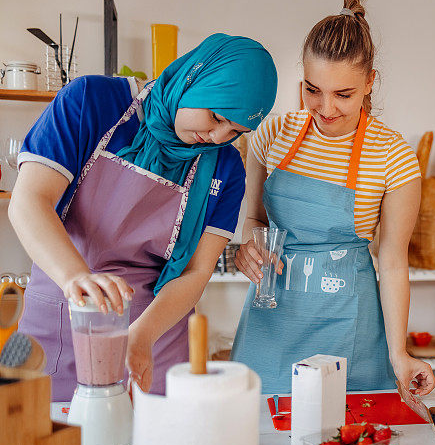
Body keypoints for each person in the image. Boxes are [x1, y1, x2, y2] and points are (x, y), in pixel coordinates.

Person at [10, 33, 278, 401]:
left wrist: (141, 336)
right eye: (216, 116)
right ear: (194, 78)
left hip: (153, 336)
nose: (217, 136)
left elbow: (196, 272)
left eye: (235, 131)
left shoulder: (226, 168)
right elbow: (29, 201)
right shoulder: (91, 101)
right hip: (63, 318)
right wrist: (76, 278)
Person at [231, 0, 435, 396]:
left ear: (369, 82)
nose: (325, 108)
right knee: (258, 436)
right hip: (272, 319)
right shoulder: (271, 134)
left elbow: (393, 262)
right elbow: (253, 220)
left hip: (348, 322)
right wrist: (248, 246)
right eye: (312, 89)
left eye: (343, 94)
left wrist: (400, 353)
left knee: (346, 436)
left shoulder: (393, 154)